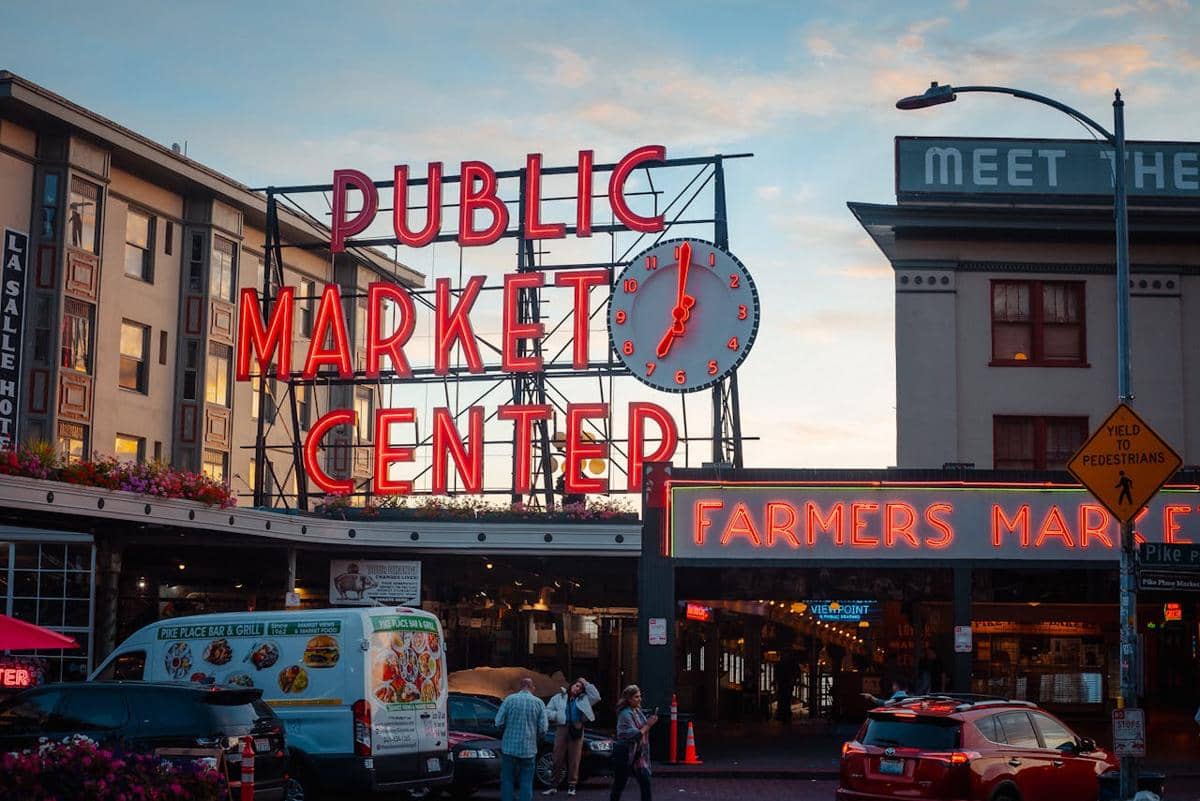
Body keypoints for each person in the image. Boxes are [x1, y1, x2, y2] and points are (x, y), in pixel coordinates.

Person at [544, 676, 601, 796]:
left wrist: (585, 682)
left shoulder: (583, 699)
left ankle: (572, 785)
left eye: (580, 688)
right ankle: (553, 786)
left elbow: (596, 697)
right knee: (557, 757)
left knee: (574, 758)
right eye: (576, 686)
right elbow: (547, 711)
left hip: (577, 727)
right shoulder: (558, 697)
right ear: (571, 685)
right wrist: (557, 715)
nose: (578, 689)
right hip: (562, 727)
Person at [495, 677, 549, 801]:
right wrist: (537, 738)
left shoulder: (509, 700)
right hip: (529, 749)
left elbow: (498, 722)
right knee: (526, 780)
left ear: (521, 687)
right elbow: (543, 728)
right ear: (532, 687)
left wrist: (505, 731)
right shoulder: (539, 702)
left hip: (509, 748)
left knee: (507, 779)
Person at [610, 685, 655, 801]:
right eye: (636, 697)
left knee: (645, 782)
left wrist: (648, 722)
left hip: (639, 755)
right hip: (626, 754)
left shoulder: (637, 711)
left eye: (640, 696)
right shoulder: (625, 714)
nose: (639, 699)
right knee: (619, 785)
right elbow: (634, 734)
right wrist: (648, 725)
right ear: (629, 699)